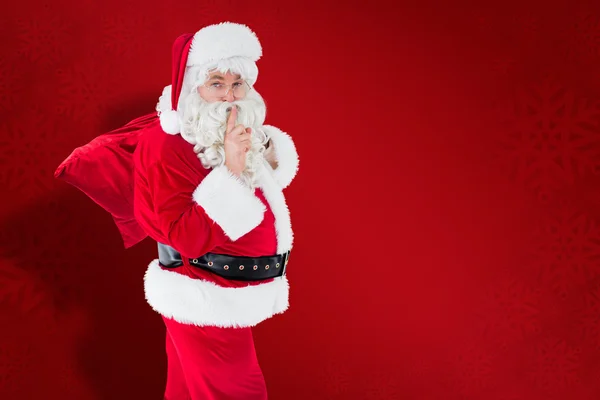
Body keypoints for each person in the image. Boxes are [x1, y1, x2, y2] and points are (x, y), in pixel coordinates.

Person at [132, 22, 299, 399]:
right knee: (236, 391)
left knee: (187, 391)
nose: (229, 96)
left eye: (238, 83)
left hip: (225, 292)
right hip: (203, 294)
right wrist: (233, 169)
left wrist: (258, 154)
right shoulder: (165, 146)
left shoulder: (225, 128)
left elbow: (265, 187)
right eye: (217, 84)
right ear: (194, 87)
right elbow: (185, 236)